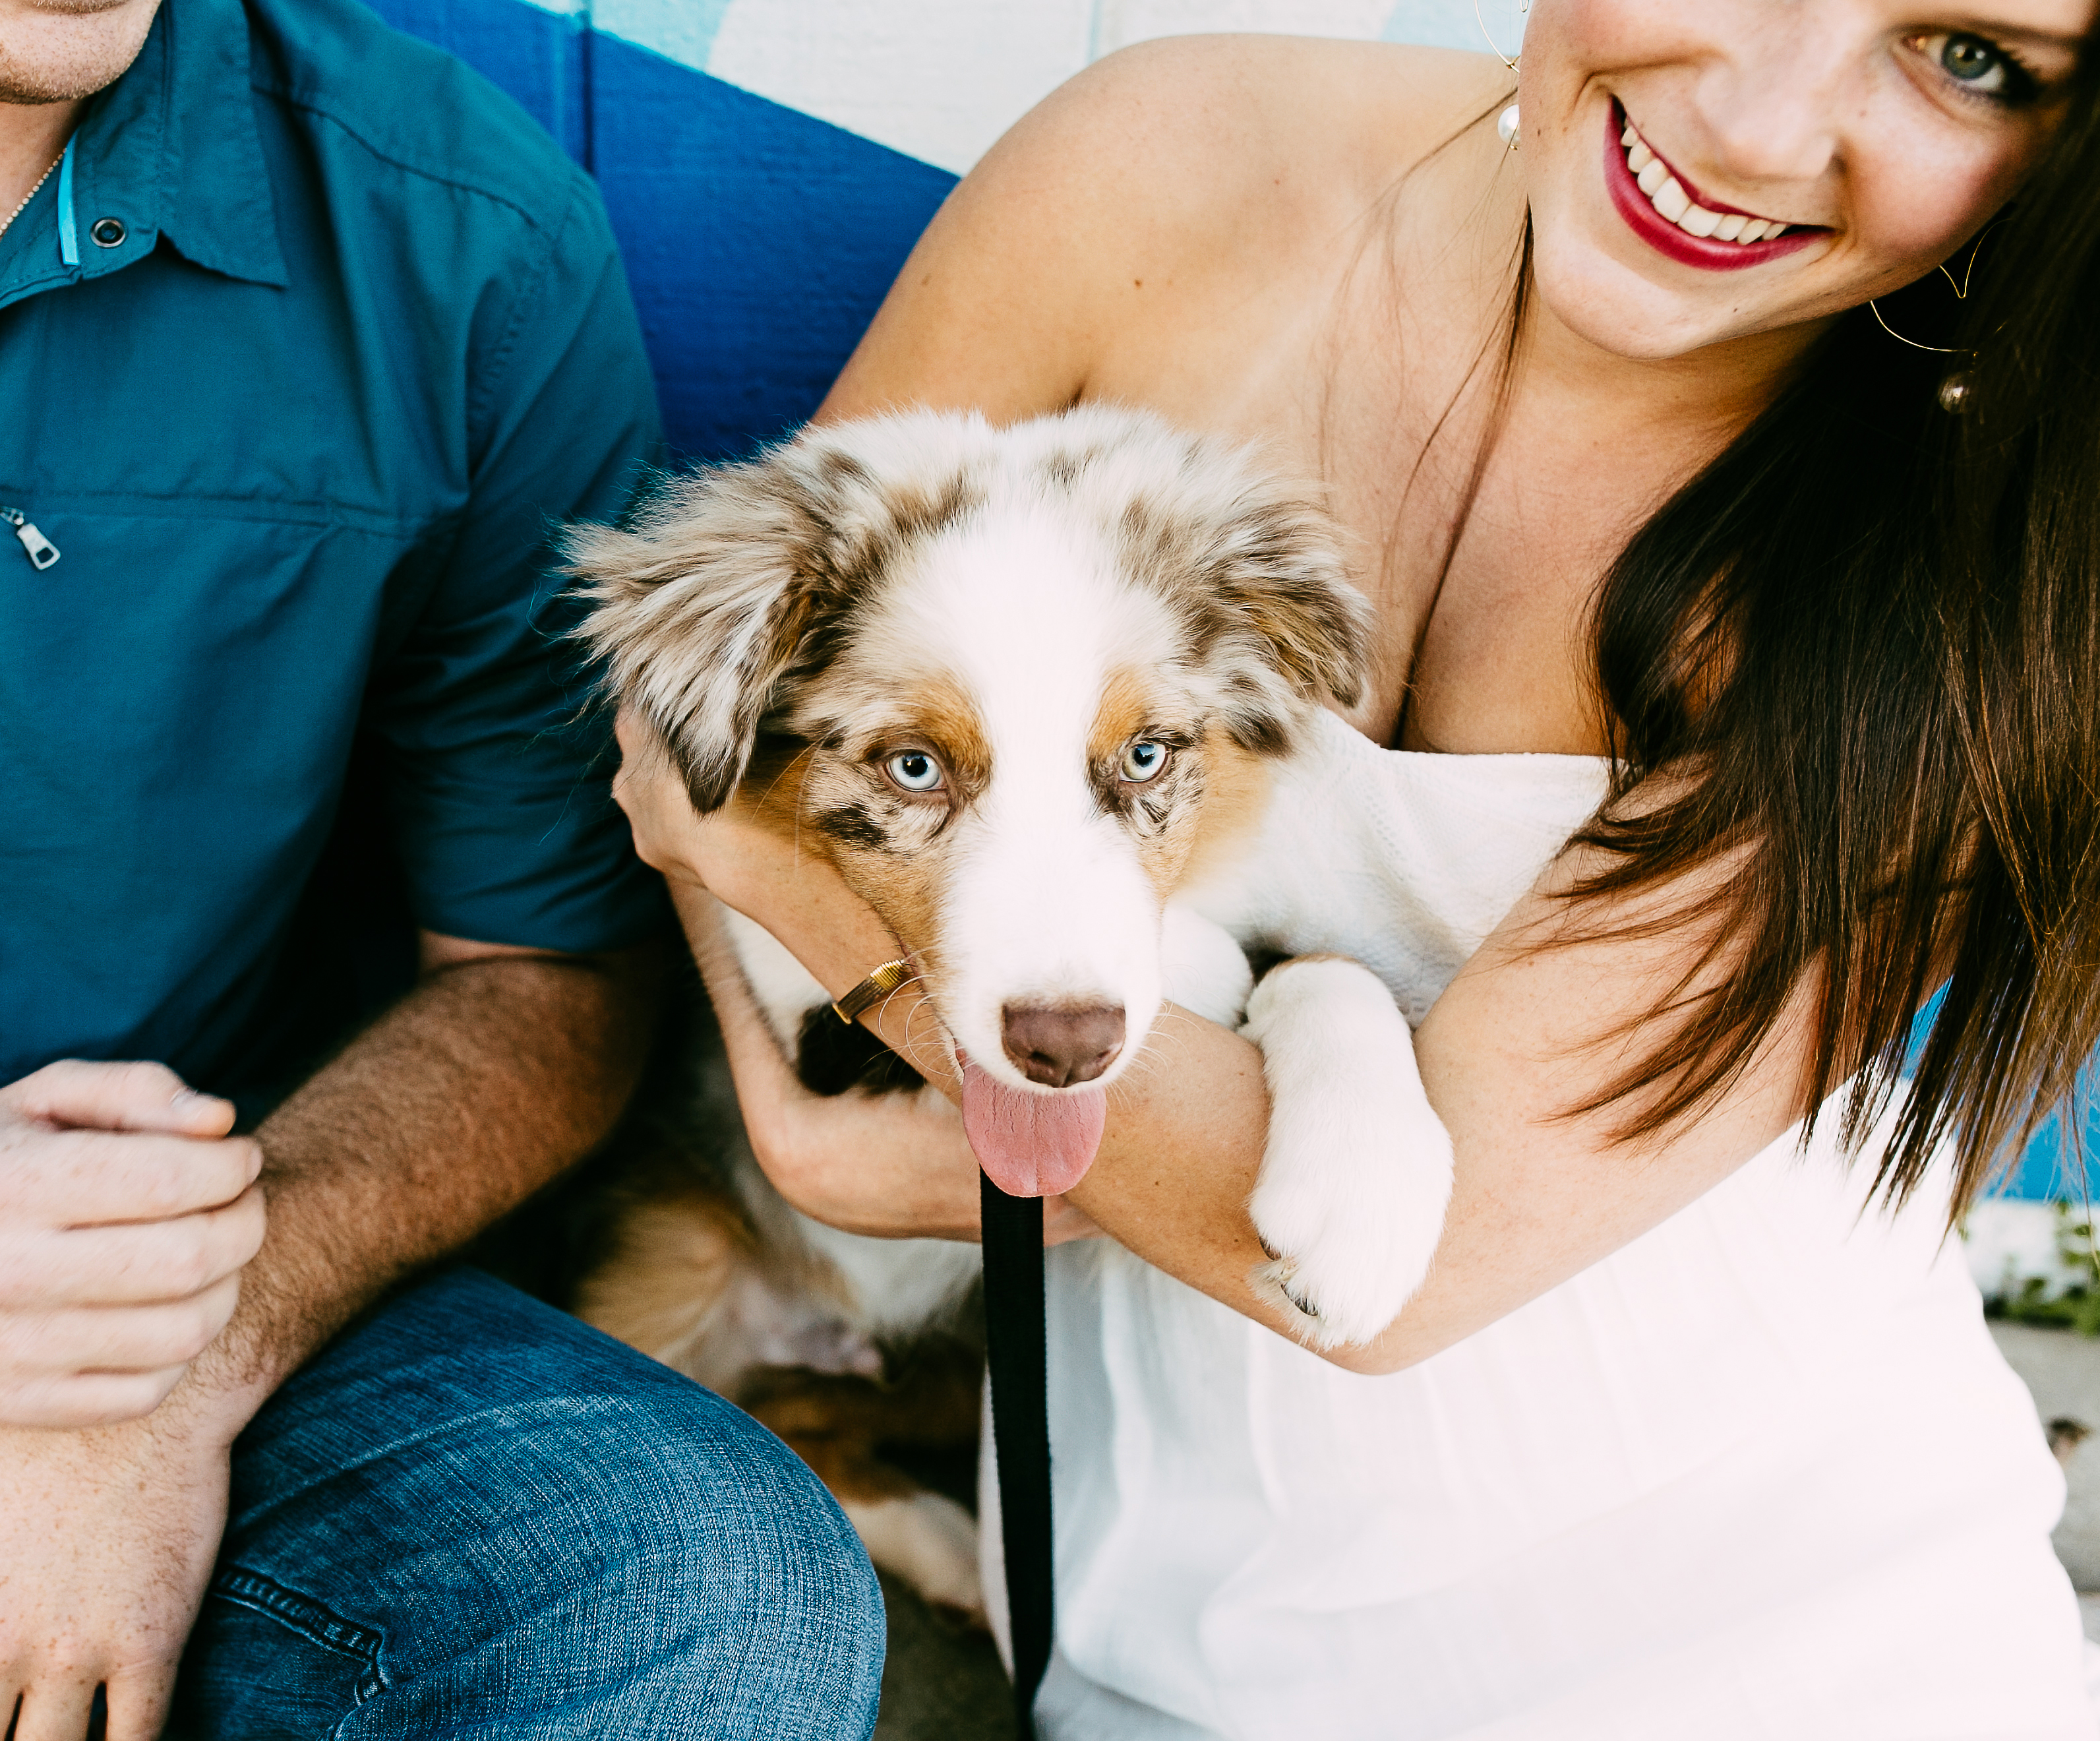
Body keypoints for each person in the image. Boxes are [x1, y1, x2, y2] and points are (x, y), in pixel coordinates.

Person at [614, 3, 2100, 1734]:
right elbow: (724, 722)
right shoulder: (1152, 162)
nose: (1761, 127)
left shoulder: (2002, 550)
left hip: (1792, 1630)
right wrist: (790, 1100)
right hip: (1151, 1612)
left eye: (1970, 53)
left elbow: (1399, 1269)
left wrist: (856, 1000)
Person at [0, 0, 885, 1734]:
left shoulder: (460, 239)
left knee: (697, 1600)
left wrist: (173, 1356)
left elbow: (543, 971)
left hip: (178, 1272)